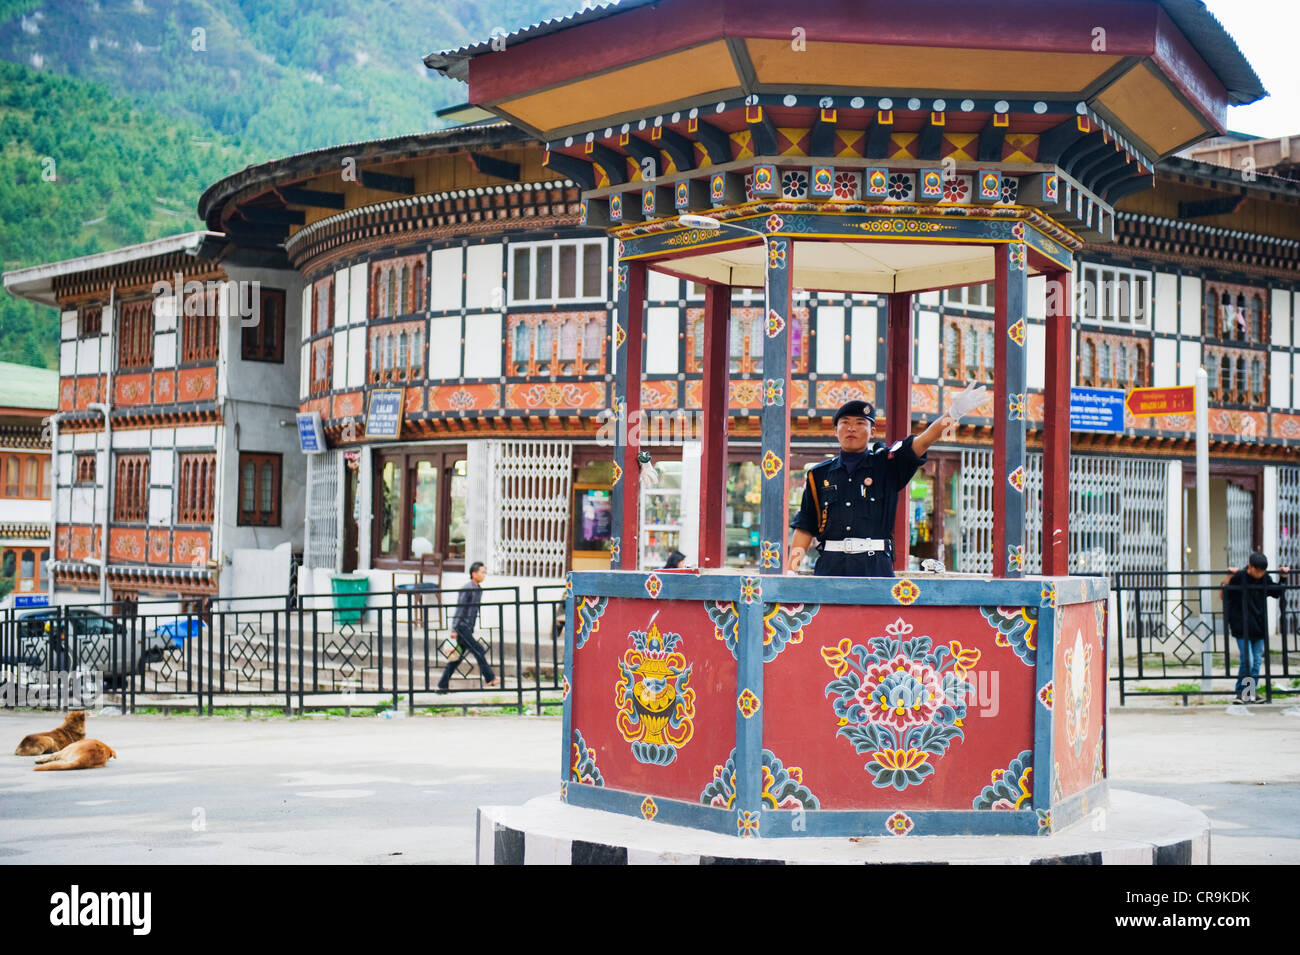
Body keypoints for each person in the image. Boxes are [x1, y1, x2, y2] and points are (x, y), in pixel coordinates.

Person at [788, 383, 987, 576]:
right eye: (845, 423)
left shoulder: (887, 465)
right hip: (830, 566)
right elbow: (805, 527)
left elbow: (923, 441)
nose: (851, 428)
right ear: (835, 431)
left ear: (872, 431)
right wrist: (790, 571)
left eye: (860, 423)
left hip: (874, 566)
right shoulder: (818, 474)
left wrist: (953, 414)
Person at [1221, 553, 1289, 702]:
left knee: (1257, 661)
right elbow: (1224, 595)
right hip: (1241, 625)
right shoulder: (1240, 576)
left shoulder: (1264, 578)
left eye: (1262, 571)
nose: (1259, 574)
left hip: (1258, 625)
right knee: (1248, 660)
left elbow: (1276, 592)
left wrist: (1283, 577)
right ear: (1249, 566)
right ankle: (1241, 692)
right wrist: (1228, 577)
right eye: (1257, 571)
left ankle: (1249, 693)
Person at [436, 561, 497, 692]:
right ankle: (490, 678)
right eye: (482, 572)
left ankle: (442, 685)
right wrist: (454, 629)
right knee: (479, 650)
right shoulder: (467, 588)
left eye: (484, 572)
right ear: (474, 574)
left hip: (468, 627)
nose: (484, 575)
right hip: (462, 627)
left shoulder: (478, 589)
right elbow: (460, 609)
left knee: (456, 658)